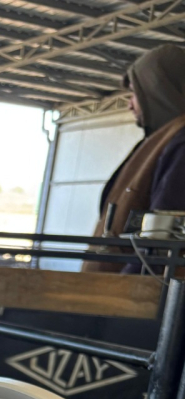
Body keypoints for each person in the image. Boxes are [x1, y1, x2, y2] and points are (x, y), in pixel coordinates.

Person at [88, 43, 185, 269]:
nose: (129, 105)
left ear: (157, 91)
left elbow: (162, 243)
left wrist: (126, 284)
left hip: (134, 287)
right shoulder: (160, 142)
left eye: (135, 93)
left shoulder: (180, 144)